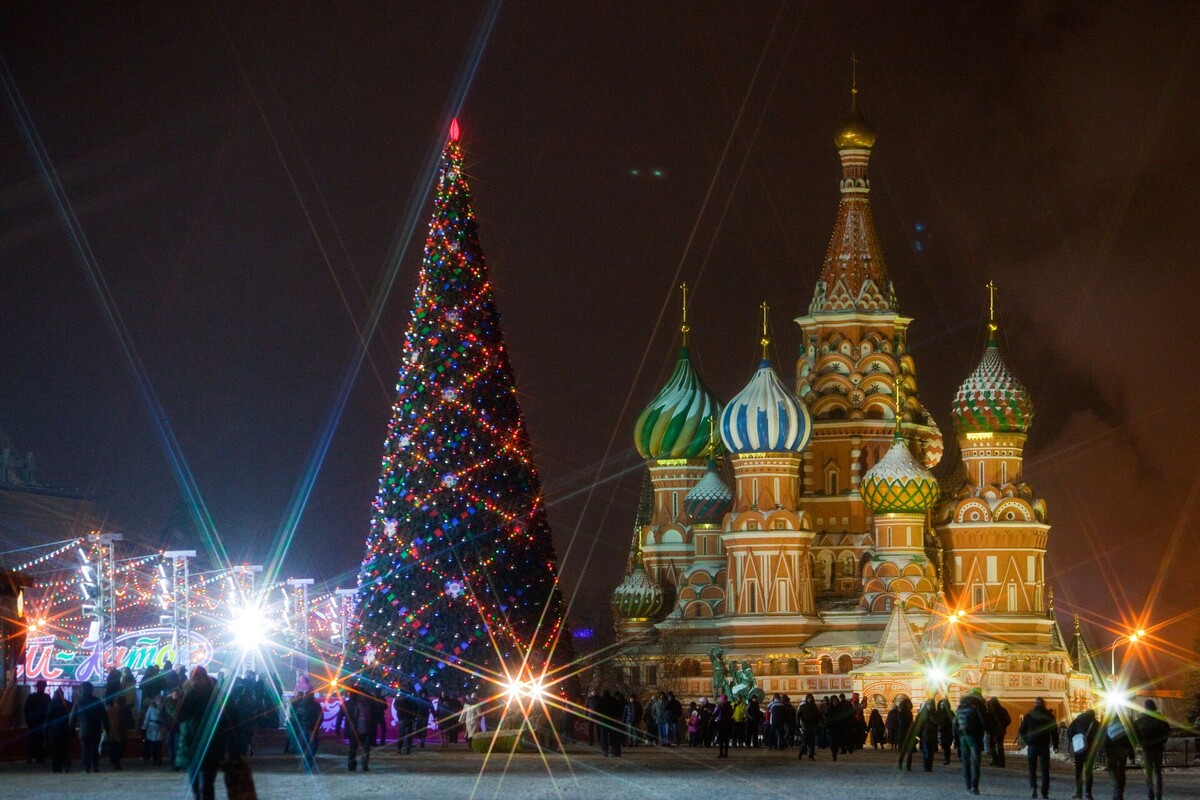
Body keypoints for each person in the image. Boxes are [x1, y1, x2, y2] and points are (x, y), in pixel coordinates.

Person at [1019, 697, 1059, 799]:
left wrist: (1027, 740)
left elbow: (1021, 730)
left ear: (1035, 705)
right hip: (1044, 746)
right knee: (1045, 770)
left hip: (1032, 745)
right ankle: (1044, 792)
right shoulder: (1049, 716)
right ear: (1044, 705)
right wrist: (1055, 745)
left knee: (1032, 768)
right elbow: (1054, 731)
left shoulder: (1029, 715)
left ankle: (1033, 787)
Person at [1134, 699, 1170, 800]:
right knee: (1158, 773)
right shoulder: (1160, 719)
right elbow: (1167, 732)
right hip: (1158, 749)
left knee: (1148, 773)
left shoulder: (1140, 720)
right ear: (1154, 708)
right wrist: (1162, 742)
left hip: (1146, 749)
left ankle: (1150, 793)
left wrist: (1140, 743)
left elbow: (1135, 733)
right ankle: (1159, 795)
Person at [955, 689, 989, 795]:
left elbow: (955, 723)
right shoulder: (978, 705)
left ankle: (968, 785)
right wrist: (989, 731)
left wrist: (957, 738)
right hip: (974, 736)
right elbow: (983, 721)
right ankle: (975, 787)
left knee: (966, 762)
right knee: (975, 763)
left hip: (963, 737)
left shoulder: (960, 707)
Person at [71, 681, 108, 773]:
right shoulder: (97, 701)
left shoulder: (79, 702)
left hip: (84, 729)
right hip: (96, 728)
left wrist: (71, 729)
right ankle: (95, 766)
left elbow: (72, 717)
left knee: (85, 748)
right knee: (95, 748)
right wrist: (107, 728)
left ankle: (86, 767)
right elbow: (104, 716)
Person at [1066, 707, 1100, 800]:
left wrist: (1074, 741)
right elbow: (1100, 736)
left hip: (1079, 750)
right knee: (1089, 772)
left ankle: (1078, 792)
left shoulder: (1077, 721)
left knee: (1078, 771)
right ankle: (1088, 793)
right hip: (1090, 750)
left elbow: (1069, 732)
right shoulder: (1096, 724)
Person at [1102, 708, 1134, 800]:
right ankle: (1120, 792)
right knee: (1122, 771)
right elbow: (1131, 736)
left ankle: (1116, 788)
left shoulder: (1107, 719)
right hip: (1124, 749)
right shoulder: (1127, 719)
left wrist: (1102, 748)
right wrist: (1131, 750)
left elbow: (1102, 734)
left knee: (1111, 769)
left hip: (1111, 748)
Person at [290, 689, 322, 770]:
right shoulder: (316, 705)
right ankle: (308, 759)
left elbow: (296, 716)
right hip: (312, 728)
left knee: (304, 745)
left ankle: (306, 759)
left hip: (304, 728)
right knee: (313, 745)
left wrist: (298, 726)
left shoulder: (302, 705)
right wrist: (317, 726)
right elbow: (320, 717)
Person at [24, 679, 51, 763]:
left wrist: (28, 720)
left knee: (34, 740)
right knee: (39, 740)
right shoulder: (46, 697)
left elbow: (26, 710)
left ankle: (31, 757)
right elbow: (50, 710)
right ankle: (39, 757)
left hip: (34, 722)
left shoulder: (32, 697)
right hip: (40, 722)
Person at [47, 687, 72, 773]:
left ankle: (56, 767)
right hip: (65, 729)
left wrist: (46, 730)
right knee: (65, 748)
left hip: (55, 730)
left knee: (56, 750)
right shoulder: (67, 704)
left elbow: (48, 718)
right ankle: (66, 764)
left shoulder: (52, 705)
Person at [107, 694, 135, 769]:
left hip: (111, 732)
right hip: (120, 731)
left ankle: (113, 760)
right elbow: (130, 720)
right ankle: (116, 762)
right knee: (119, 748)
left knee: (113, 747)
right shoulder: (124, 710)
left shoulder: (110, 709)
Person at [142, 694, 167, 766]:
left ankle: (159, 759)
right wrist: (144, 727)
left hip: (160, 727)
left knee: (159, 744)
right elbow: (147, 717)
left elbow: (165, 718)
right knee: (153, 744)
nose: (158, 700)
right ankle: (154, 759)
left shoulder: (164, 707)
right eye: (157, 698)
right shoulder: (151, 707)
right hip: (152, 726)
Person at [916, 698, 940, 772]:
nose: (930, 706)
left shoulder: (936, 713)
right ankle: (926, 767)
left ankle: (929, 766)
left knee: (931, 752)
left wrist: (932, 719)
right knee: (926, 752)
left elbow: (938, 723)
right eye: (929, 704)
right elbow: (918, 724)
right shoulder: (922, 714)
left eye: (931, 704)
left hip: (933, 735)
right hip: (925, 735)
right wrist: (918, 734)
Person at [988, 695, 1012, 767]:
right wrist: (1003, 726)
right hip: (1001, 731)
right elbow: (1008, 720)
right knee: (1000, 746)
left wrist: (989, 729)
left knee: (992, 746)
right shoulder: (1003, 710)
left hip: (992, 731)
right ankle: (1001, 763)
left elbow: (987, 721)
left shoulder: (991, 711)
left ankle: (995, 760)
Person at [395, 687, 420, 754]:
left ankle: (399, 748)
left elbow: (395, 707)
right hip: (409, 719)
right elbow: (416, 707)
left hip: (402, 719)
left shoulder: (399, 700)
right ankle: (408, 749)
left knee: (401, 735)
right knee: (409, 735)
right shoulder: (411, 700)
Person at [896, 696, 917, 771]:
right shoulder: (901, 713)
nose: (908, 706)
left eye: (909, 704)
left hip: (910, 734)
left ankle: (908, 766)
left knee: (910, 752)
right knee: (903, 751)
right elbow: (901, 723)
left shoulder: (910, 713)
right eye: (907, 704)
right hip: (903, 734)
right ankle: (900, 764)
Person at [797, 694, 820, 760]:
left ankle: (811, 756)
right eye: (808, 698)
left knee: (812, 742)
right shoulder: (802, 707)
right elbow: (798, 716)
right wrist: (799, 725)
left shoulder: (814, 707)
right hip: (805, 727)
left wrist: (816, 724)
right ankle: (800, 753)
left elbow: (817, 717)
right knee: (804, 742)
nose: (810, 700)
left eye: (811, 698)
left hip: (812, 726)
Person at [937, 695, 956, 764]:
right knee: (944, 745)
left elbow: (953, 721)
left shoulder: (950, 712)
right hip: (942, 731)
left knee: (947, 746)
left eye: (944, 705)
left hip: (948, 731)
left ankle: (947, 758)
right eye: (941, 705)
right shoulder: (939, 713)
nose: (942, 706)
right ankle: (946, 758)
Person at [713, 693, 733, 758]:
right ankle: (726, 753)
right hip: (727, 722)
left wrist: (715, 718)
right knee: (726, 739)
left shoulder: (719, 705)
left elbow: (714, 713)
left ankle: (721, 753)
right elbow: (731, 713)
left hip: (720, 722)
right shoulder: (729, 706)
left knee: (721, 739)